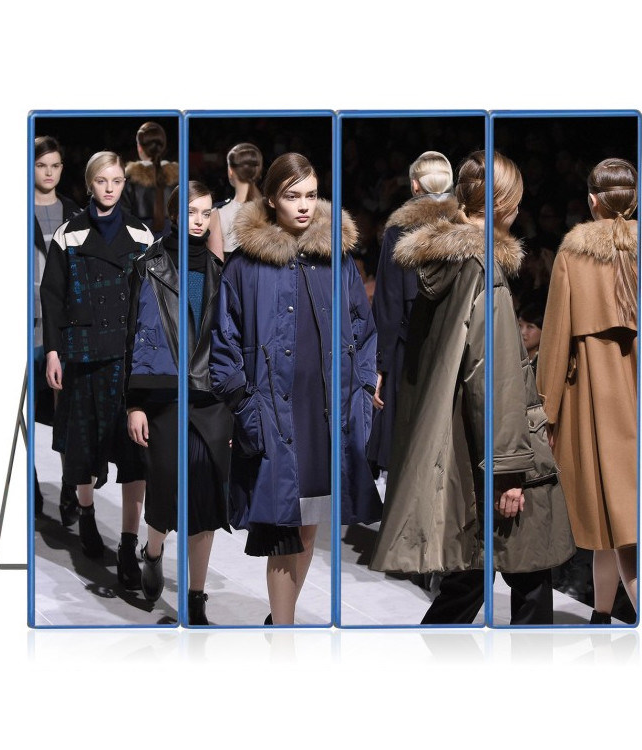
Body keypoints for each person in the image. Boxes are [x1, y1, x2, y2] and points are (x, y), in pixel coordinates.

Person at [369, 150, 575, 625]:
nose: (520, 208)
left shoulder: (441, 262)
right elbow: (492, 376)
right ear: (502, 205)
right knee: (529, 575)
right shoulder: (484, 270)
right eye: (516, 199)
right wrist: (510, 470)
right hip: (495, 453)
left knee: (471, 575)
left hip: (461, 448)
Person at [210, 152, 381, 625]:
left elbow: (363, 329)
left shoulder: (337, 261)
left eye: (311, 195)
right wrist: (247, 408)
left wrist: (363, 386)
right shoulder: (245, 266)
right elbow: (222, 347)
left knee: (308, 524)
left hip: (327, 411)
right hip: (275, 412)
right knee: (283, 527)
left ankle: (278, 621)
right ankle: (283, 630)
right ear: (271, 198)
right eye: (292, 196)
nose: (304, 206)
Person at [40, 150, 153, 589]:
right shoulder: (69, 234)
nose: (110, 188)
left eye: (117, 181)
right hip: (83, 355)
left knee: (134, 457)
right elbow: (53, 296)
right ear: (90, 184)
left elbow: (151, 300)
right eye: (102, 181)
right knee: (83, 447)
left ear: (124, 183)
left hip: (127, 359)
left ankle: (127, 543)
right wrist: (53, 351)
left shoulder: (141, 234)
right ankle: (86, 513)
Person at [536, 157, 638, 625]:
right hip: (638, 390)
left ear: (592, 201)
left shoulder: (574, 255)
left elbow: (555, 340)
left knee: (618, 523)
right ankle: (601, 614)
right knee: (613, 522)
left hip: (597, 400)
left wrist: (546, 413)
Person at [126, 182, 232, 625]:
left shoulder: (220, 269)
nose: (199, 221)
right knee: (166, 491)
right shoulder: (148, 265)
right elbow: (133, 334)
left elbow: (229, 336)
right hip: (163, 395)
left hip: (209, 397)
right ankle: (152, 551)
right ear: (173, 213)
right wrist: (134, 403)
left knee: (205, 502)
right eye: (191, 212)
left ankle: (195, 598)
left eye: (206, 213)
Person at [367, 150, 459, 474]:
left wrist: (379, 366)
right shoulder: (465, 230)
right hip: (455, 346)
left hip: (409, 352)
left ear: (415, 186)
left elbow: (388, 304)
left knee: (405, 447)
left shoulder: (399, 232)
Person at [33, 135, 80, 520]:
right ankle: (29, 486)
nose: (48, 173)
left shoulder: (73, 212)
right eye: (40, 165)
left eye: (55, 165)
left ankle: (69, 488)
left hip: (61, 326)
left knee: (64, 412)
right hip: (23, 323)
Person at [121, 121, 179, 238]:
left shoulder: (130, 178)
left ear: (139, 147)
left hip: (138, 239)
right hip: (173, 239)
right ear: (163, 147)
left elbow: (122, 217)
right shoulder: (179, 178)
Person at [208, 142, 264, 258]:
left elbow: (217, 263)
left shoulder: (218, 214)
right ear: (258, 171)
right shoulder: (272, 209)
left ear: (230, 171)